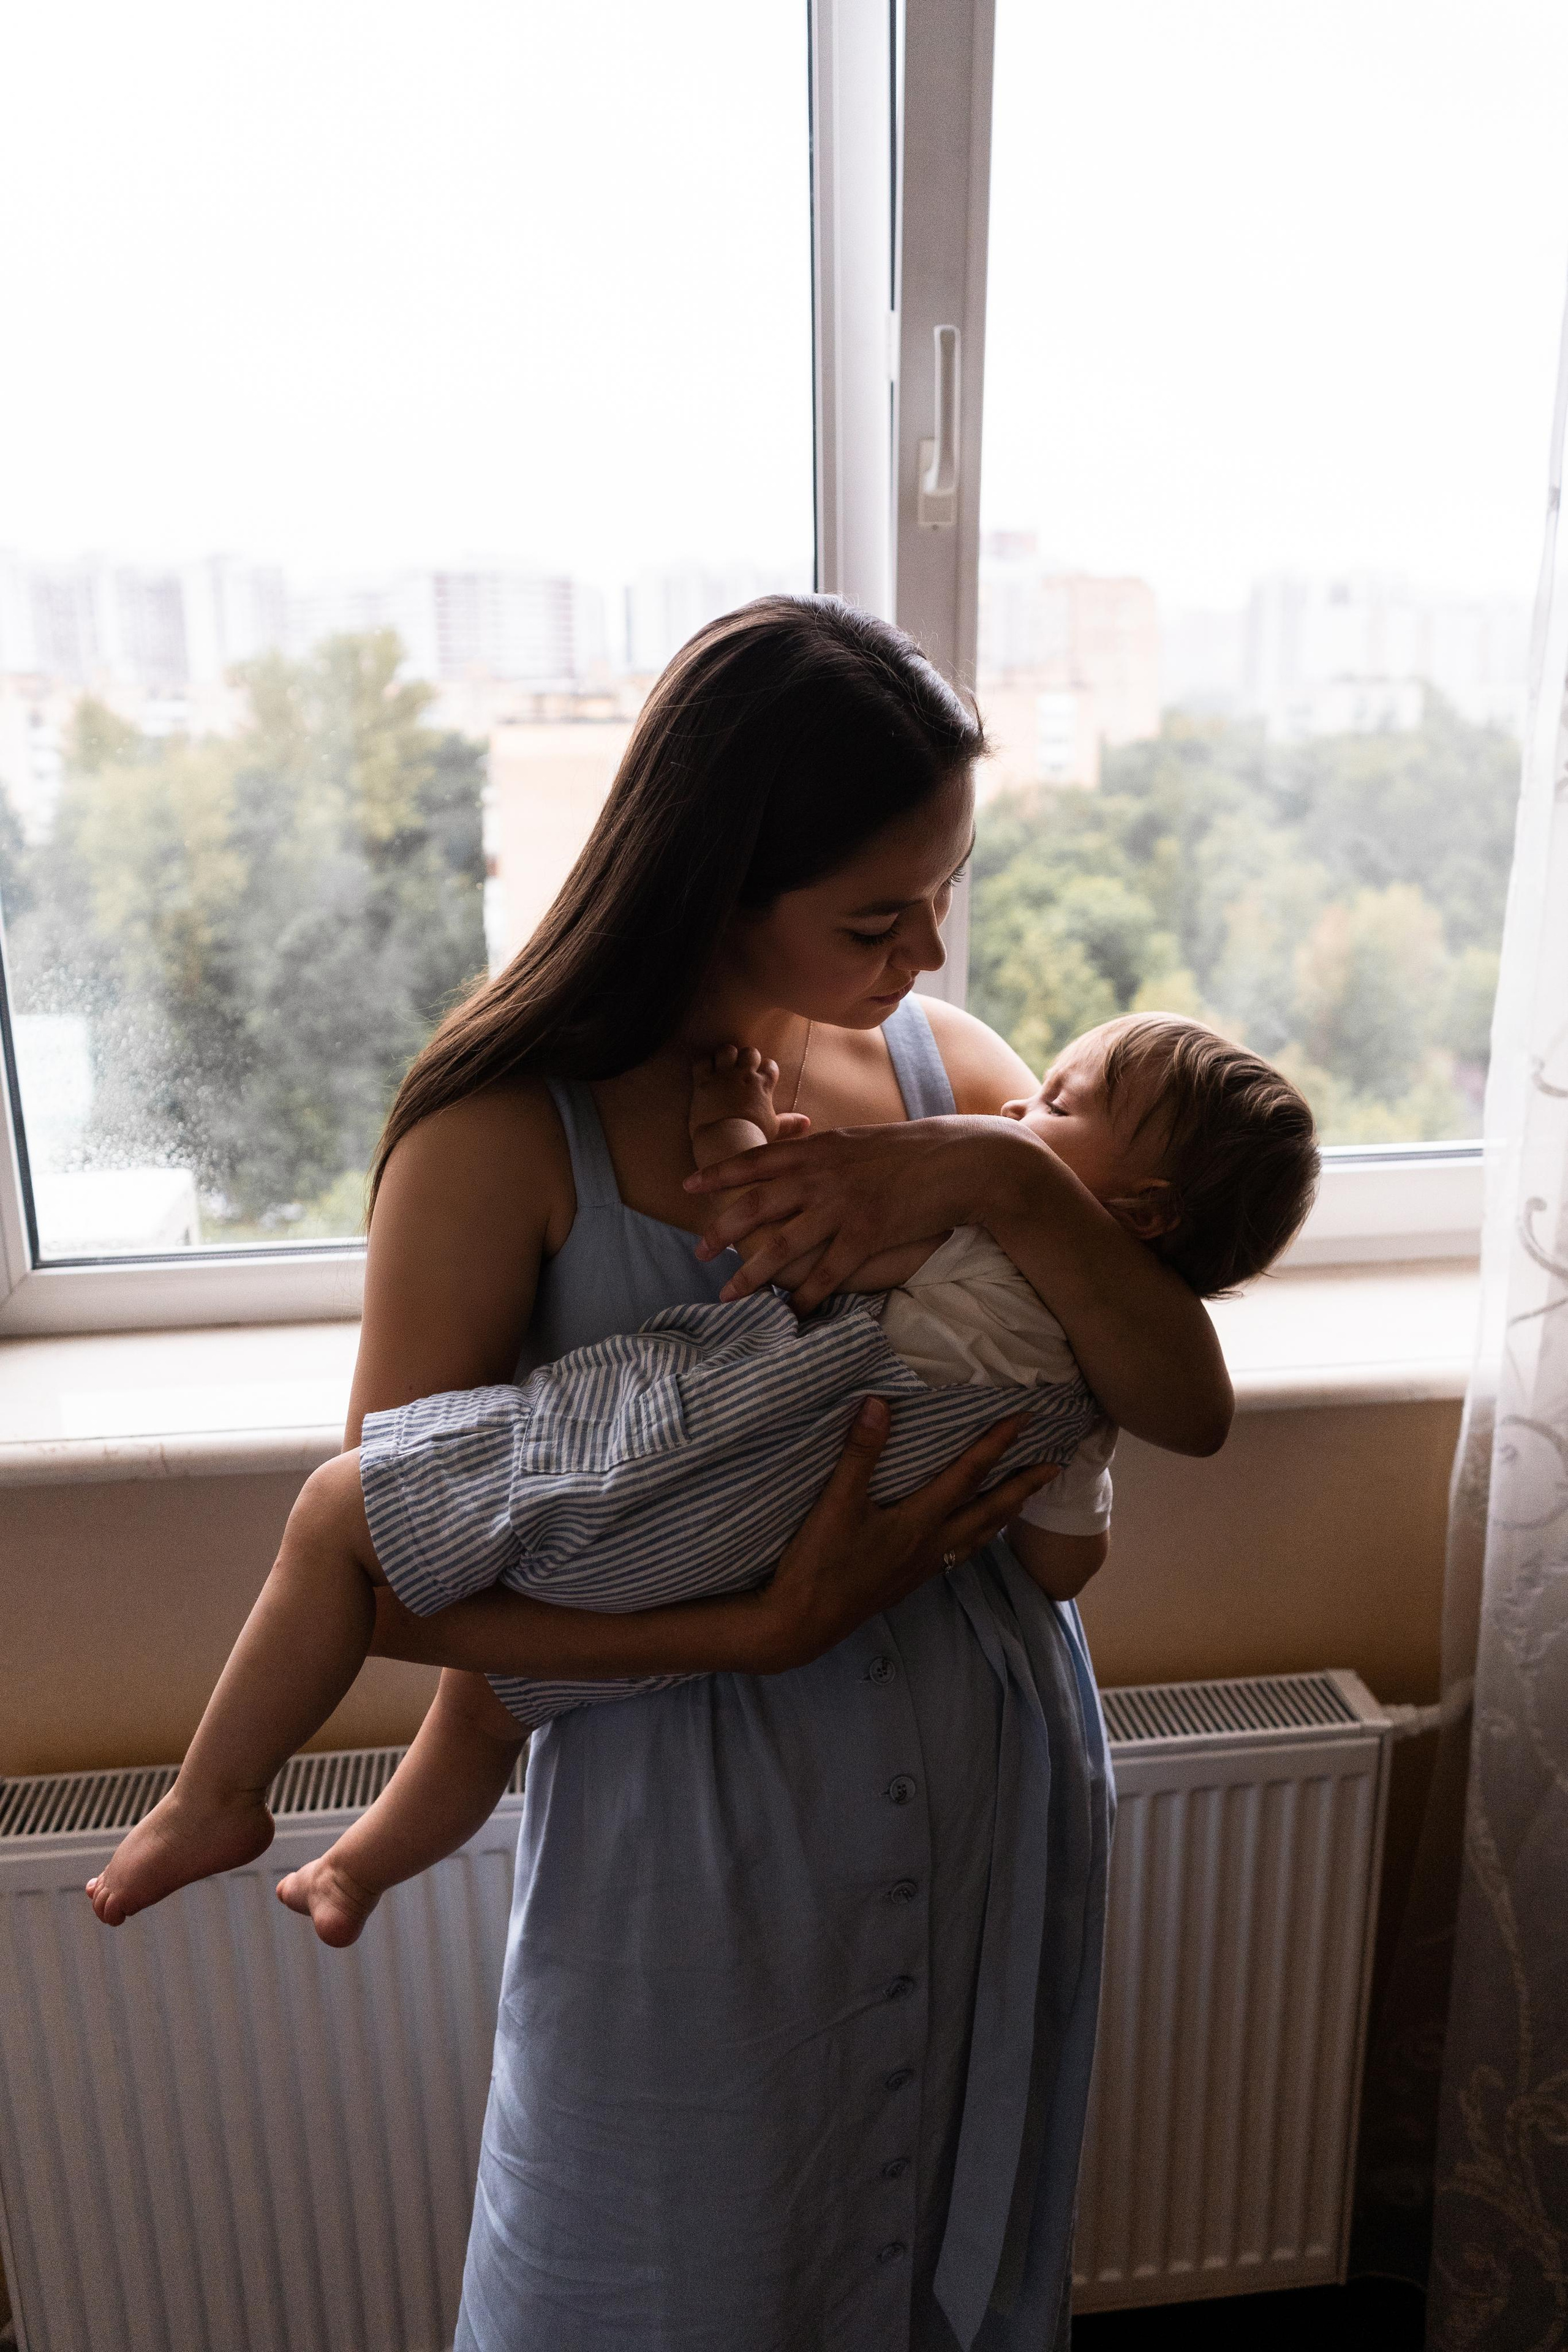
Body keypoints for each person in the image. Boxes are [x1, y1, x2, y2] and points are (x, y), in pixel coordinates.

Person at [104, 597, 1242, 2351]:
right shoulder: (499, 1137)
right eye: (876, 915)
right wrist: (760, 1632)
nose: (928, 952)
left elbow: (1184, 1397)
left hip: (990, 1781)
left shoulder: (971, 1093)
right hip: (691, 1848)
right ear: (719, 884)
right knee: (662, 2277)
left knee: (937, 2260)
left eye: (944, 890)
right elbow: (402, 1568)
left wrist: (996, 1187)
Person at [87, 1012, 1316, 1945]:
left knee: (359, 1535)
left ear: (1142, 1208)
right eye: (882, 910)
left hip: (683, 1496)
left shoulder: (979, 1202)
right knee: (486, 1706)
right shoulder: (1086, 1380)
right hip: (727, 1615)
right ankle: (349, 1863)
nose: (1012, 1109)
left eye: (1055, 1101)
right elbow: (1059, 1560)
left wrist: (736, 1121)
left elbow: (771, 1233)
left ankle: (229, 1798)